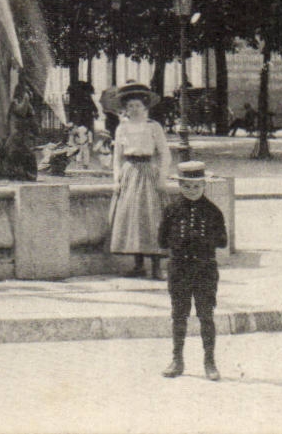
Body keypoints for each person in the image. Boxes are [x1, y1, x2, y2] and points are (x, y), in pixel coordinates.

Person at [158, 161, 228, 380]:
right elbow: (161, 240)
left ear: (204, 186)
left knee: (206, 315)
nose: (191, 190)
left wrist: (201, 239)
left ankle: (210, 362)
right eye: (186, 186)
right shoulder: (171, 211)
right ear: (180, 185)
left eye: (196, 186)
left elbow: (223, 241)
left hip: (204, 269)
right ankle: (177, 360)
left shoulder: (213, 211)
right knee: (179, 315)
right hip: (179, 269)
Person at [107, 83, 171, 280]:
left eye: (138, 105)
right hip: (129, 172)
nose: (134, 109)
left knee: (152, 217)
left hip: (148, 171)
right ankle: (138, 264)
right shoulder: (122, 128)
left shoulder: (153, 127)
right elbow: (117, 157)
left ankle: (157, 266)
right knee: (133, 218)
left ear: (145, 107)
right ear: (125, 108)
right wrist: (116, 179)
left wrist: (161, 177)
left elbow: (165, 154)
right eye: (130, 106)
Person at [0, 82, 40, 181]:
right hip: (16, 135)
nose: (30, 93)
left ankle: (24, 175)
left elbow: (32, 121)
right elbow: (21, 112)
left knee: (26, 155)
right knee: (13, 154)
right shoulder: (15, 103)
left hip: (22, 136)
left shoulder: (27, 106)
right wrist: (26, 99)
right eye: (27, 91)